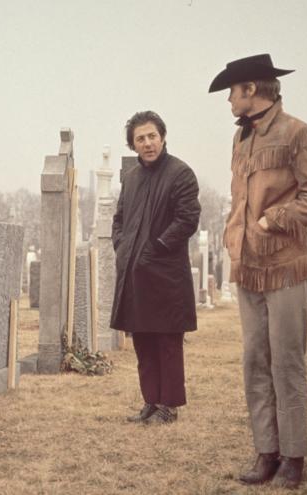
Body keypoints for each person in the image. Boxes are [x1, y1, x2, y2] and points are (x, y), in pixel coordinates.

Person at [208, 54, 307, 489]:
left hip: (284, 266)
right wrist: (233, 234)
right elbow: (239, 199)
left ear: (252, 90)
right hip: (248, 268)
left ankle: (293, 457)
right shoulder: (241, 139)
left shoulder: (298, 133)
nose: (228, 99)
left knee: (287, 364)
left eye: (232, 91)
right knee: (254, 361)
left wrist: (271, 220)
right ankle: (266, 452)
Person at [111, 111, 201, 424]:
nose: (148, 143)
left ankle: (169, 405)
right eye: (140, 138)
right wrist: (122, 248)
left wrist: (157, 248)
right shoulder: (132, 177)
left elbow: (187, 219)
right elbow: (119, 219)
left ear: (162, 136)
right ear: (133, 145)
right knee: (143, 340)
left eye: (152, 136)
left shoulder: (180, 173)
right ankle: (150, 401)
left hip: (166, 273)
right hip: (135, 274)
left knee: (167, 341)